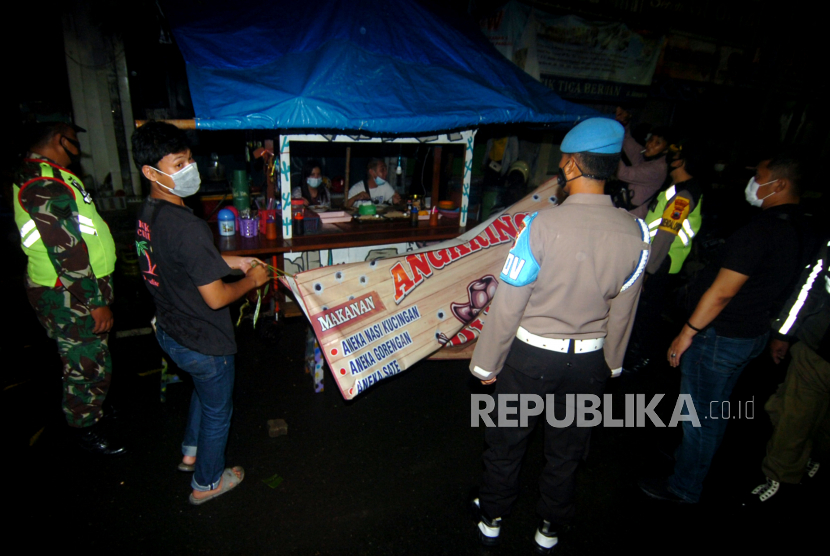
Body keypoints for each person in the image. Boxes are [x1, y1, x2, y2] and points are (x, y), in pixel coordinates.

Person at [469, 118, 649, 553]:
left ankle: (493, 515)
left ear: (569, 165)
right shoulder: (637, 232)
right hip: (588, 361)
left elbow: (509, 303)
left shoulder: (540, 227)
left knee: (508, 438)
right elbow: (624, 310)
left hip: (531, 357)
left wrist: (486, 363)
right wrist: (612, 364)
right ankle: (550, 526)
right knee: (568, 449)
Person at [639, 153, 817, 504]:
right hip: (751, 331)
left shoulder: (763, 229)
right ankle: (691, 462)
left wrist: (687, 331)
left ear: (779, 184)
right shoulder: (803, 224)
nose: (753, 182)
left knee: (700, 417)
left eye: (761, 175)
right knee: (714, 410)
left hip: (720, 335)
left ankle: (684, 486)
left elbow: (721, 293)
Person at [131, 121, 269, 504]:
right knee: (217, 411)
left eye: (190, 160)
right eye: (179, 164)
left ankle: (190, 452)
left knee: (203, 393)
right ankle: (206, 484)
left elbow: (183, 262)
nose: (189, 169)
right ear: (151, 171)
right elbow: (216, 298)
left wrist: (232, 260)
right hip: (204, 341)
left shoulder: (149, 214)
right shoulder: (187, 227)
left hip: (170, 332)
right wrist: (253, 281)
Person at [13, 122, 124, 456]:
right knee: (84, 361)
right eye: (74, 141)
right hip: (69, 291)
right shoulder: (44, 182)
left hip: (74, 286)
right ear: (59, 140)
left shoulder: (49, 173)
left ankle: (94, 407)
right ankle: (85, 425)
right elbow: (66, 250)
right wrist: (94, 301)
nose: (78, 149)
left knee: (91, 355)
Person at [746, 238, 830, 505]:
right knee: (793, 411)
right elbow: (811, 285)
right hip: (817, 350)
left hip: (818, 349)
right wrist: (784, 332)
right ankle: (782, 475)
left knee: (800, 416)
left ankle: (801, 466)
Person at [624, 141, 704, 372]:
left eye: (675, 155)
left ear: (683, 161)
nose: (670, 158)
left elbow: (665, 235)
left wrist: (648, 271)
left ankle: (644, 357)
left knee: (646, 313)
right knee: (645, 311)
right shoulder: (678, 188)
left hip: (662, 261)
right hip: (658, 260)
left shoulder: (684, 195)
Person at [615, 108, 670, 219]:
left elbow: (623, 173)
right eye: (650, 140)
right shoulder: (647, 157)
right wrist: (623, 123)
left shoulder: (658, 168)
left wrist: (610, 151)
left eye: (657, 143)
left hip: (633, 218)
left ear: (666, 150)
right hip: (624, 212)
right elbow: (627, 140)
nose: (650, 145)